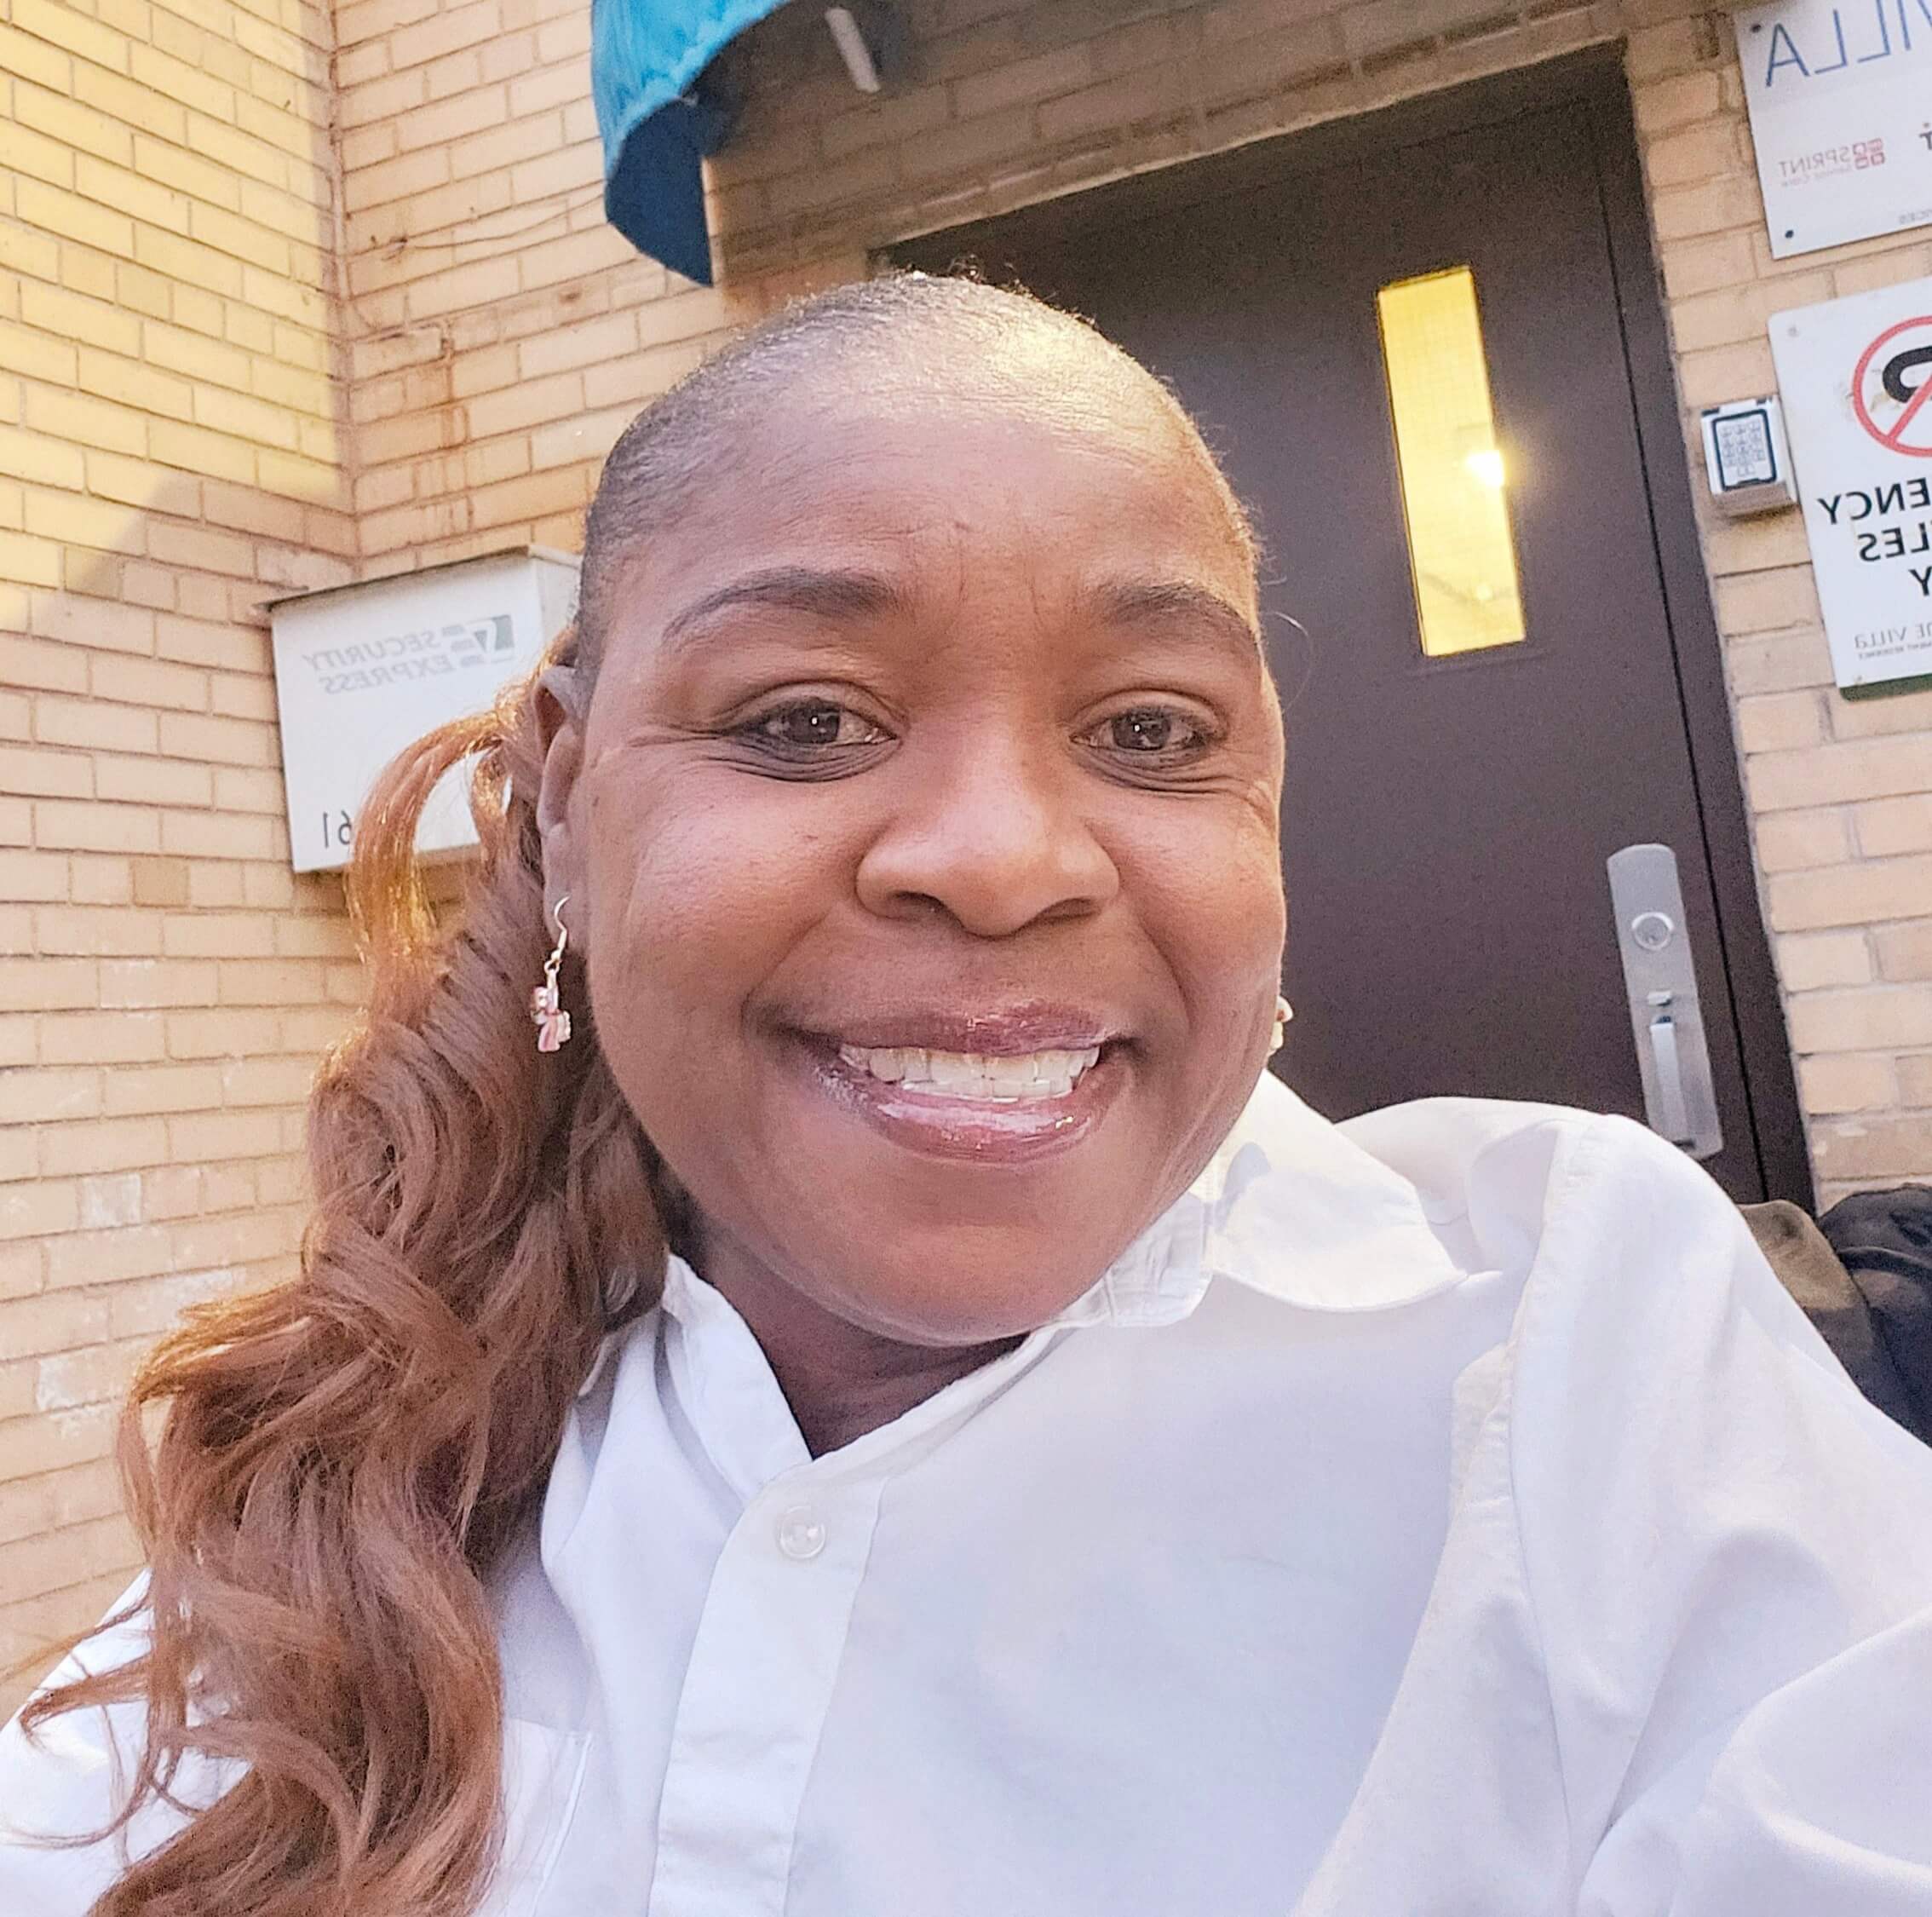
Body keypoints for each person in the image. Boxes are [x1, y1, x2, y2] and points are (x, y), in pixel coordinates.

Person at [4, 273, 1931, 1917]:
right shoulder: (371, 1475)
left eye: (1151, 731)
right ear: (571, 798)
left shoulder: (1576, 1341)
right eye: (804, 720)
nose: (1005, 861)